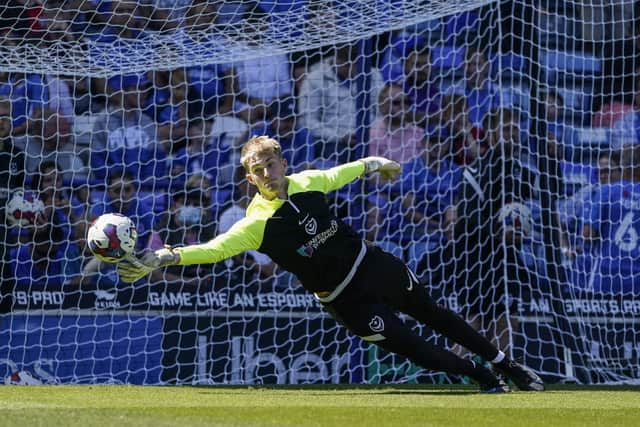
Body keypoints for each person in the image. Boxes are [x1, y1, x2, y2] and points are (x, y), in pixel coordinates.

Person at [117, 135, 545, 392]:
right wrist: (164, 256)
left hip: (373, 264)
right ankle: (481, 376)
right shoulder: (257, 224)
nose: (265, 172)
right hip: (345, 300)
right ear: (249, 178)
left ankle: (507, 364)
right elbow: (215, 249)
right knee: (413, 347)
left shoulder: (308, 182)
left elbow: (348, 170)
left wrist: (378, 164)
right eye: (256, 170)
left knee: (435, 314)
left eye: (269, 164)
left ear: (282, 162)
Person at [449, 108, 537, 354]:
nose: (514, 134)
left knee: (503, 318)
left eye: (516, 130)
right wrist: (499, 232)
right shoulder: (484, 170)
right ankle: (454, 369)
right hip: (481, 256)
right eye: (507, 129)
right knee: (482, 322)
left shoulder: (516, 170)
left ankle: (495, 373)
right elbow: (466, 220)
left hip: (502, 256)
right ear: (490, 134)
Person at [580, 144, 640, 293]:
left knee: (597, 316)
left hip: (607, 272)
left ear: (621, 167)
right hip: (637, 275)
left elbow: (587, 234)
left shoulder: (606, 191)